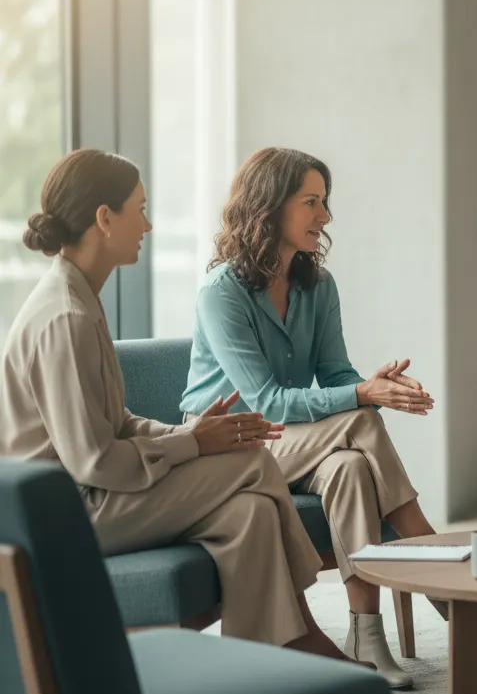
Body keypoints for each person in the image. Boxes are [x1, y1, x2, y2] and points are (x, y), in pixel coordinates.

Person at [0, 149, 353, 661]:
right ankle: (302, 623)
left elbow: (115, 422)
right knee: (251, 461)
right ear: (104, 218)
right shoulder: (65, 318)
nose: (146, 223)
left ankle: (264, 660)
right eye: (138, 208)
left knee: (250, 513)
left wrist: (181, 435)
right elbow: (94, 462)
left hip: (96, 493)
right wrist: (192, 443)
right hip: (73, 512)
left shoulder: (79, 298)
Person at [181, 147, 436, 689]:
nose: (325, 216)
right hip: (231, 446)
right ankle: (430, 557)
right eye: (312, 202)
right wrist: (364, 397)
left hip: (295, 442)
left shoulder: (318, 285)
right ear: (270, 206)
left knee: (349, 466)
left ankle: (368, 636)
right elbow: (268, 402)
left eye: (325, 201)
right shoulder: (221, 292)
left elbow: (335, 373)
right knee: (362, 423)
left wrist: (372, 384)